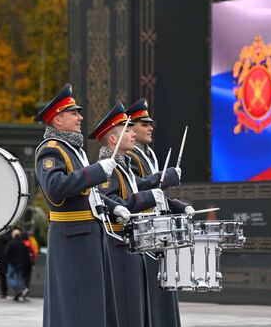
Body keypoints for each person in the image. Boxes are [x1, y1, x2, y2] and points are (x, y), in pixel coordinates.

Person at [34, 83, 128, 327]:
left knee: (92, 306)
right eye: (73, 113)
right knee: (76, 307)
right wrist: (96, 172)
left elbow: (88, 195)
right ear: (57, 120)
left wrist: (112, 205)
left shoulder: (73, 149)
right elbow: (55, 188)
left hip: (87, 236)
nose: (80, 117)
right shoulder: (51, 150)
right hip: (72, 238)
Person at [89, 101, 183, 327]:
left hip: (134, 244)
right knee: (127, 307)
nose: (132, 133)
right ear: (113, 139)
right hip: (120, 244)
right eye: (128, 129)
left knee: (138, 308)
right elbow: (114, 200)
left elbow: (138, 189)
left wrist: (176, 204)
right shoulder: (108, 167)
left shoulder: (124, 164)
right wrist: (153, 192)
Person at [125, 98, 194, 327]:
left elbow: (155, 195)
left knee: (163, 290)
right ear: (131, 127)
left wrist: (178, 206)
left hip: (158, 232)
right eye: (144, 124)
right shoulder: (129, 155)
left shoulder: (147, 155)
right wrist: (164, 179)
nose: (150, 127)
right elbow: (135, 189)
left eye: (150, 123)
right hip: (143, 232)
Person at [4, 229, 30, 301]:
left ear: (13, 235)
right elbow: (26, 254)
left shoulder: (11, 243)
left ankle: (21, 290)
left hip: (12, 264)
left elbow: (6, 253)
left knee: (9, 277)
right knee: (19, 279)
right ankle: (21, 291)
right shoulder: (22, 243)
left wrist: (9, 261)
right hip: (21, 264)